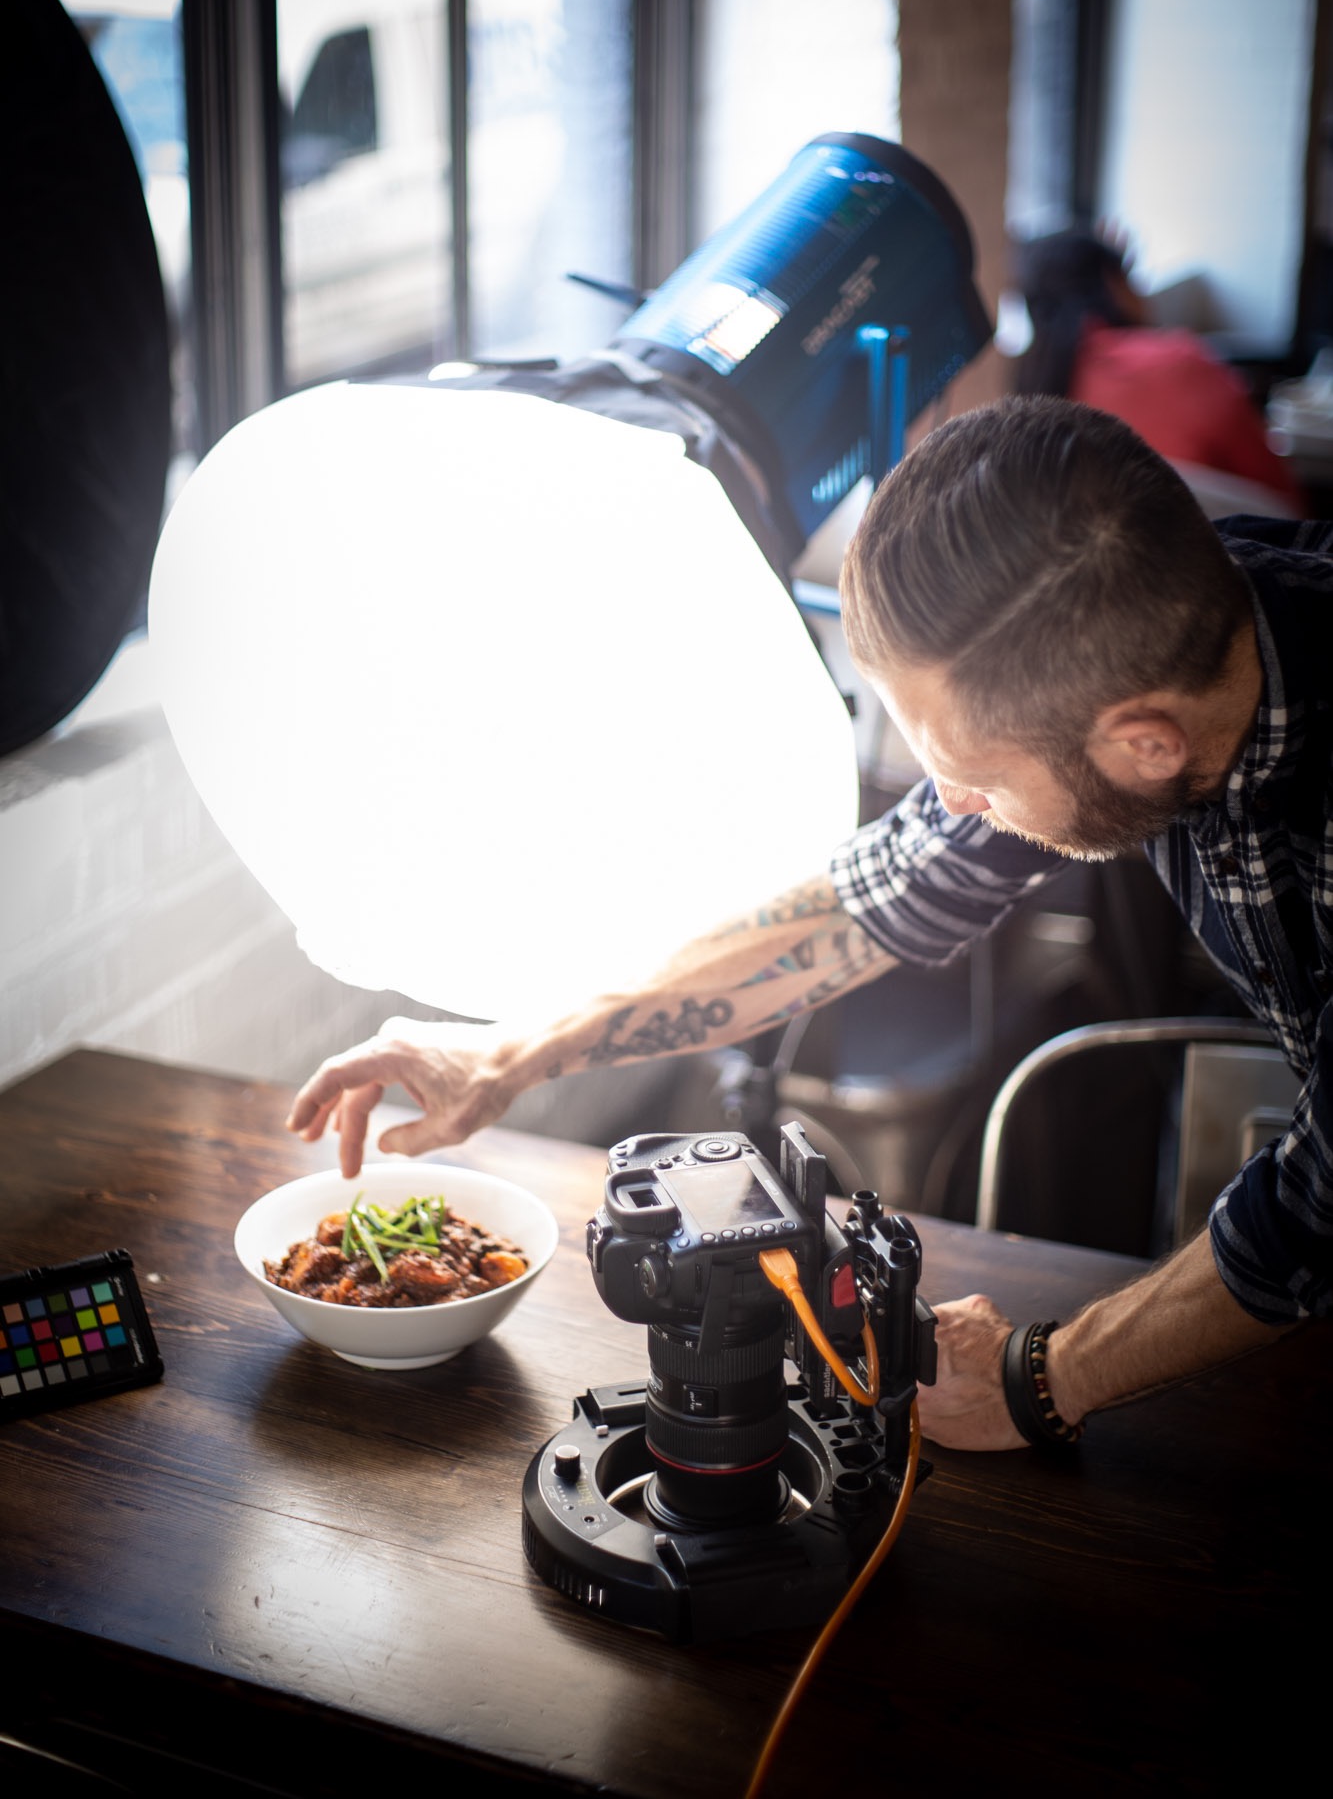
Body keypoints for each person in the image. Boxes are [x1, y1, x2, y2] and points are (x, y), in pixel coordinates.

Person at [287, 396, 1332, 1450]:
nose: (952, 808)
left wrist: (1044, 1375)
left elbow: (1319, 1205)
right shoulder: (1155, 650)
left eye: (971, 781)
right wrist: (508, 1056)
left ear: (1144, 745)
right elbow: (858, 902)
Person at [1013, 226, 1309, 515]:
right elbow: (1281, 497)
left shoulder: (1028, 389)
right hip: (1220, 557)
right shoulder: (1182, 363)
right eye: (1131, 279)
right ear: (1114, 285)